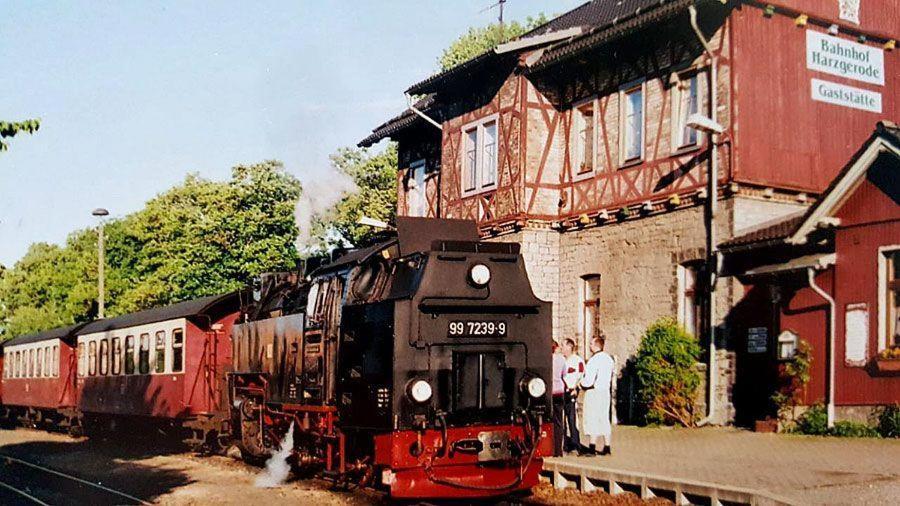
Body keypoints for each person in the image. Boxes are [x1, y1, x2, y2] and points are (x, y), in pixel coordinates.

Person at [580, 334, 615, 456]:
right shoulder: (609, 359)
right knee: (604, 418)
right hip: (605, 391)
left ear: (596, 345)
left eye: (591, 343)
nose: (589, 345)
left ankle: (592, 447)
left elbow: (589, 379)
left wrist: (581, 384)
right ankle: (607, 446)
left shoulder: (593, 360)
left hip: (593, 391)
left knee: (592, 418)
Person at [561, 338, 585, 454]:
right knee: (562, 420)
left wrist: (576, 388)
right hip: (562, 393)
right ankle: (565, 445)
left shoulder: (577, 361)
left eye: (564, 346)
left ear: (570, 347)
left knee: (572, 419)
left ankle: (576, 445)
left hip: (571, 392)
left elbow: (581, 376)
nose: (562, 349)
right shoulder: (562, 361)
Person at [551, 341, 566, 457]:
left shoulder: (544, 358)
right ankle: (558, 450)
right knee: (558, 421)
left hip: (549, 391)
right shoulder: (561, 359)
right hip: (559, 391)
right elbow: (564, 374)